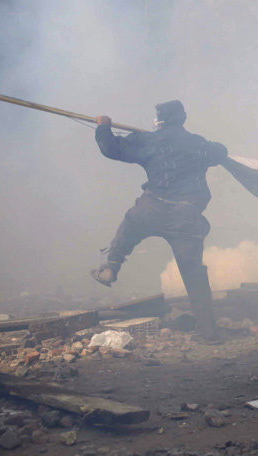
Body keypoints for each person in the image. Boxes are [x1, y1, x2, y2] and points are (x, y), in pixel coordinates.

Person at [91, 100, 227, 341]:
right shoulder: (198, 144)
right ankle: (209, 332)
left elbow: (111, 148)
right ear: (183, 118)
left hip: (151, 208)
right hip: (185, 217)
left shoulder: (149, 141)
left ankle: (111, 268)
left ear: (159, 122)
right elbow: (221, 151)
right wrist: (202, 146)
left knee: (130, 226)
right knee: (193, 273)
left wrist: (103, 127)